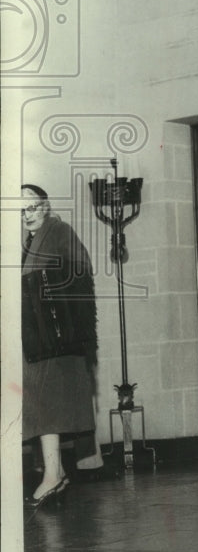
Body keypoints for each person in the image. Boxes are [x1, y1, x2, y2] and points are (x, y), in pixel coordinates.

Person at [21, 184, 99, 508]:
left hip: (56, 340)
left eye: (33, 207)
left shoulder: (60, 231)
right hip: (40, 340)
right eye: (21, 210)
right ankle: (57, 472)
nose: (27, 215)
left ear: (47, 206)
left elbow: (82, 272)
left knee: (47, 406)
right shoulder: (30, 242)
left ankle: (52, 474)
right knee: (43, 405)